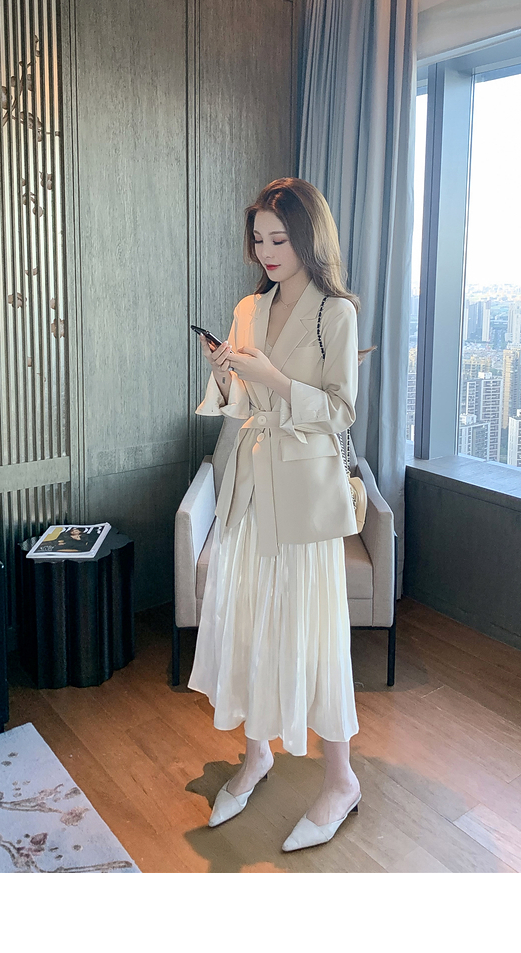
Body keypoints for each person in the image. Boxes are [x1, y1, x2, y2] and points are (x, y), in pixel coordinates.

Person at [189, 178, 363, 853]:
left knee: (314, 632)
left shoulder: (335, 313)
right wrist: (226, 373)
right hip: (249, 487)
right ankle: (256, 753)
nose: (266, 251)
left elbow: (340, 411)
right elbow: (240, 402)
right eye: (259, 238)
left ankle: (341, 780)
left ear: (308, 238)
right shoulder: (247, 308)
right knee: (249, 622)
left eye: (279, 239)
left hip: (304, 497)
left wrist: (275, 381)